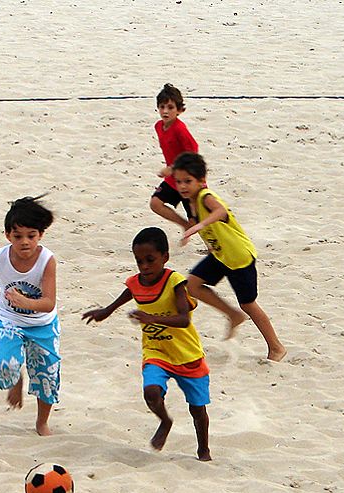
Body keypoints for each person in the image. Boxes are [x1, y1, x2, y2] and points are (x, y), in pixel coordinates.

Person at [82, 227, 211, 461]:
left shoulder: (175, 282)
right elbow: (128, 294)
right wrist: (106, 311)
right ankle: (165, 420)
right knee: (151, 392)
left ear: (165, 257)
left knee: (197, 409)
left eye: (150, 260)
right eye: (139, 260)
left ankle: (204, 450)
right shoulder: (136, 282)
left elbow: (183, 319)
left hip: (187, 353)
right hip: (156, 351)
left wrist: (152, 318)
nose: (144, 266)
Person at [173, 152, 288, 362]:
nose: (182, 186)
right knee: (192, 284)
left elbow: (220, 211)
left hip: (238, 257)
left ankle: (276, 346)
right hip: (221, 255)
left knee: (248, 304)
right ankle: (232, 315)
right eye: (179, 181)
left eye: (188, 181)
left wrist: (200, 225)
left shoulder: (205, 197)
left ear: (201, 181)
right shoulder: (190, 202)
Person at [0, 195, 60, 436]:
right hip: (8, 319)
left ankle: (42, 422)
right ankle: (16, 380)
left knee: (47, 376)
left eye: (31, 236)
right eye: (18, 237)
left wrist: (23, 301)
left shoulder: (47, 261)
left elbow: (48, 303)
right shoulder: (0, 256)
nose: (25, 242)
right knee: (6, 364)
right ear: (7, 236)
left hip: (42, 324)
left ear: (41, 235)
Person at [151, 83, 200, 230]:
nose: (165, 111)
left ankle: (212, 246)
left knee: (198, 220)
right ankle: (185, 226)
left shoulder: (180, 130)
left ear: (179, 110)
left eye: (170, 107)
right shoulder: (158, 126)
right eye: (162, 107)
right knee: (155, 203)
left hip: (188, 179)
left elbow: (193, 153)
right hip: (173, 180)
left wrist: (173, 168)